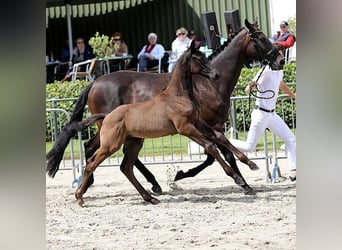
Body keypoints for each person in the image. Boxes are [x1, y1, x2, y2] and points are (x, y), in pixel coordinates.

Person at [230, 61, 297, 182]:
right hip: (260, 114)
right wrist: (251, 86)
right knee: (249, 147)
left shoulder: (279, 71)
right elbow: (247, 89)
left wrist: (293, 95)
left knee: (290, 138)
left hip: (272, 115)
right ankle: (221, 142)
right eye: (280, 55)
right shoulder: (266, 71)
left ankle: (293, 171)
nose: (282, 58)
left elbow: (281, 84)